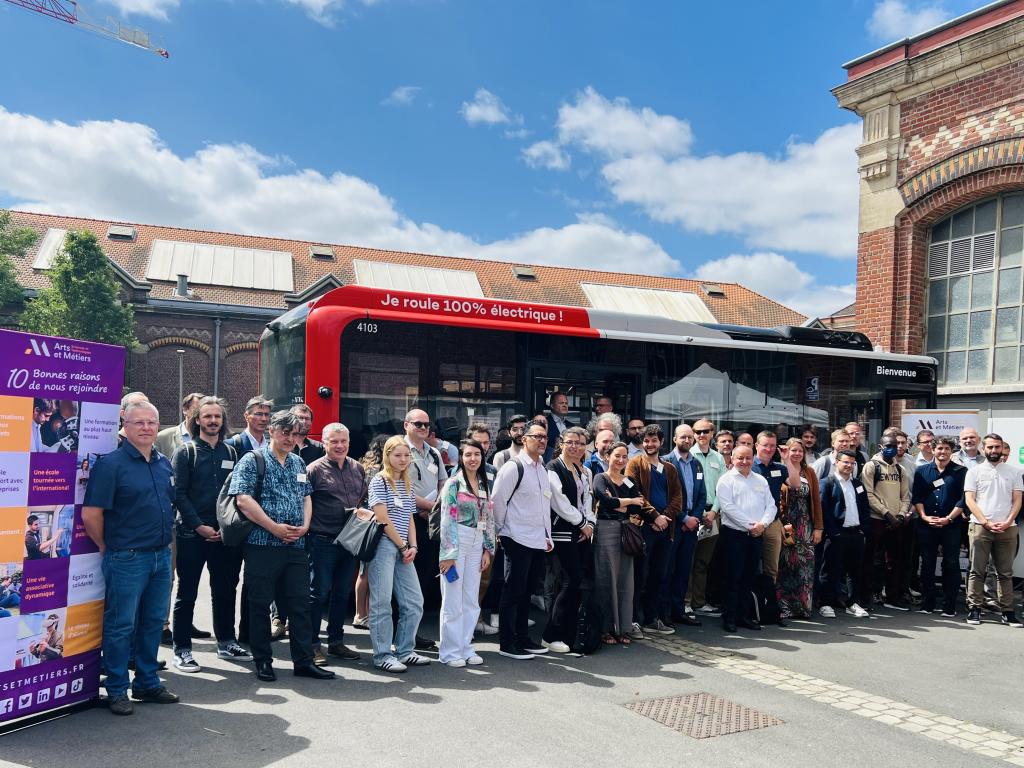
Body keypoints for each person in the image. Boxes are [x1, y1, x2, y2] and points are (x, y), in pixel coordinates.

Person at [82, 400, 178, 716]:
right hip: (127, 558)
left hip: (161, 557)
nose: (146, 428)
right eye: (139, 422)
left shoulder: (163, 463)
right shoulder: (111, 465)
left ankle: (147, 683)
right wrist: (105, 546)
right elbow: (91, 513)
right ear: (125, 425)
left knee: (152, 622)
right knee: (121, 626)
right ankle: (117, 689)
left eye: (152, 422)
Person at [230, 410, 334, 682]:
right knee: (260, 604)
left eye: (294, 434)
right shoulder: (253, 460)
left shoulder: (298, 462)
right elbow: (243, 500)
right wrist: (274, 527)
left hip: (296, 545)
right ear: (272, 431)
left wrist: (306, 526)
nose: (289, 438)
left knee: (300, 604)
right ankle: (263, 660)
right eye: (285, 432)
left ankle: (304, 661)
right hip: (263, 544)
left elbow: (306, 497)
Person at [171, 396, 251, 672]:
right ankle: (182, 649)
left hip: (224, 535)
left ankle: (226, 642)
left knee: (225, 590)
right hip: (192, 534)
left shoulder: (232, 453)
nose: (213, 421)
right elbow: (178, 494)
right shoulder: (186, 452)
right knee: (187, 593)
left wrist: (228, 526)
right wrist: (198, 525)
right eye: (207, 416)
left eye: (217, 416)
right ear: (197, 420)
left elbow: (237, 493)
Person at [491, 418, 554, 659]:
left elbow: (544, 505)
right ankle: (507, 643)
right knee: (513, 591)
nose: (542, 441)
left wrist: (547, 535)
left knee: (527, 592)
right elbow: (498, 502)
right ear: (524, 439)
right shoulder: (513, 467)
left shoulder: (542, 469)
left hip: (538, 539)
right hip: (516, 538)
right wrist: (502, 532)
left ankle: (523, 638)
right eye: (537, 436)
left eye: (544, 437)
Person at [366, 435, 429, 672]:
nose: (403, 459)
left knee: (414, 602)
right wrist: (403, 546)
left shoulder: (406, 482)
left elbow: (410, 517)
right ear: (387, 456)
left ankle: (405, 650)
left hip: (404, 548)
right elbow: (382, 519)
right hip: (384, 546)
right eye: (397, 455)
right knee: (381, 603)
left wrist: (413, 546)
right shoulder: (379, 481)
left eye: (406, 455)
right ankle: (382, 655)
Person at [306, 423, 366, 666]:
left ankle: (336, 642)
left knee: (342, 593)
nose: (339, 446)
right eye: (334, 442)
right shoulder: (313, 470)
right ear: (324, 443)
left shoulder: (358, 468)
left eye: (343, 441)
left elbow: (363, 500)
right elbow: (304, 503)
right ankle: (311, 645)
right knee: (318, 593)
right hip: (322, 540)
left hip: (350, 541)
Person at [438, 439, 495, 666]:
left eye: (477, 454)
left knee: (471, 599)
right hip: (457, 540)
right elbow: (446, 519)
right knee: (453, 599)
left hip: (477, 541)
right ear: (461, 457)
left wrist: (488, 549)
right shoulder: (453, 483)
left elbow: (489, 517)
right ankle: (450, 651)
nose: (473, 459)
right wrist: (448, 554)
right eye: (468, 454)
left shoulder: (483, 483)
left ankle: (466, 647)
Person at [543, 426, 595, 653]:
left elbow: (588, 502)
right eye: (571, 442)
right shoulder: (553, 468)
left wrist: (590, 524)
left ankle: (568, 634)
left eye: (581, 443)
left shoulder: (585, 471)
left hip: (582, 534)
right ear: (561, 443)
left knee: (577, 583)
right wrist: (582, 523)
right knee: (568, 582)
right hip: (562, 533)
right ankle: (550, 635)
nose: (576, 447)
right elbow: (559, 502)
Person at [627, 424, 682, 636]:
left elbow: (677, 497)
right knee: (639, 575)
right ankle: (633, 620)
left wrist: (665, 517)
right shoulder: (634, 464)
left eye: (654, 440)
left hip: (665, 529)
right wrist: (654, 516)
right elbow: (635, 493)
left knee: (659, 575)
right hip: (644, 528)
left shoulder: (670, 468)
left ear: (661, 442)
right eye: (646, 441)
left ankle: (652, 619)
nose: (650, 444)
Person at [593, 442, 650, 645]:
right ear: (607, 456)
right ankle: (606, 628)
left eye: (624, 456)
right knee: (606, 579)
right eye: (617, 455)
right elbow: (605, 501)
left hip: (626, 531)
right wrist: (630, 501)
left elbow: (639, 507)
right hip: (605, 530)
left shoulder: (629, 480)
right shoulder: (600, 478)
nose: (621, 460)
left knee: (626, 580)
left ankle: (624, 627)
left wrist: (622, 503)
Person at [964, 434, 1023, 627]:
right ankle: (974, 608)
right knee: (977, 570)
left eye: (997, 447)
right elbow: (970, 500)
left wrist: (1008, 521)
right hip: (980, 527)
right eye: (990, 447)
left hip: (1007, 528)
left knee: (1005, 573)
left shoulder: (1014, 472)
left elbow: (1017, 500)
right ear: (983, 448)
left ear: (1002, 448)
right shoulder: (974, 472)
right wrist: (985, 522)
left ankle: (1008, 611)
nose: (994, 450)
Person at [716, 445, 777, 633]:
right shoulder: (726, 480)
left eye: (748, 458)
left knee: (748, 577)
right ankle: (729, 617)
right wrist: (751, 525)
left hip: (756, 535)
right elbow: (727, 508)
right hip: (734, 535)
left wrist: (762, 525)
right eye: (740, 458)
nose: (744, 461)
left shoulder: (760, 480)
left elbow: (771, 506)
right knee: (732, 577)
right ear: (732, 459)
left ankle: (744, 616)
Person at [911, 436, 966, 617]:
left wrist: (948, 518)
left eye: (947, 448)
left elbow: (963, 499)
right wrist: (924, 516)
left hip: (951, 525)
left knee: (951, 563)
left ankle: (949, 605)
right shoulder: (921, 471)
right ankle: (928, 603)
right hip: (927, 525)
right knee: (927, 563)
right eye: (940, 448)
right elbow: (917, 496)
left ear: (952, 451)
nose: (943, 452)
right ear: (933, 450)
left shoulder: (961, 471)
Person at [404, 408, 446, 646]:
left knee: (423, 577)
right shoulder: (400, 450)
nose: (423, 428)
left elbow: (443, 482)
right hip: (408, 520)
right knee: (405, 579)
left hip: (430, 521)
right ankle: (401, 633)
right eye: (418, 424)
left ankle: (412, 632)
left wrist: (434, 507)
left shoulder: (434, 453)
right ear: (406, 425)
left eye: (426, 425)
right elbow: (399, 486)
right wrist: (430, 506)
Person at [861, 433, 912, 611]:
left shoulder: (900, 469)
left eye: (895, 446)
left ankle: (892, 596)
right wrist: (886, 513)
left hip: (896, 522)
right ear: (881, 447)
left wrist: (901, 515)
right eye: (889, 446)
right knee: (873, 559)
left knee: (894, 560)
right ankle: (871, 594)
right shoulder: (871, 466)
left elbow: (906, 496)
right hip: (877, 519)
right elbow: (868, 494)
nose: (893, 449)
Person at [818, 451, 871, 618]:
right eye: (846, 462)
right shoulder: (826, 483)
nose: (849, 466)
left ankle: (852, 603)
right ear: (837, 462)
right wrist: (833, 532)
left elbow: (865, 507)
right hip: (836, 534)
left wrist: (863, 530)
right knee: (829, 570)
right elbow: (823, 510)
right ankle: (826, 603)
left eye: (852, 463)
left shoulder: (858, 484)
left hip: (856, 534)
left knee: (855, 571)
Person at [662, 423, 705, 627]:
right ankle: (664, 613)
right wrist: (683, 518)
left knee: (683, 570)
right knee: (667, 570)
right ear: (674, 439)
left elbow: (702, 494)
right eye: (683, 437)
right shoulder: (666, 462)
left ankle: (679, 611)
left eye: (689, 437)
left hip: (691, 527)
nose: (687, 440)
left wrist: (694, 517)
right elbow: (667, 496)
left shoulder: (697, 464)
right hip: (674, 525)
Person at [775, 438, 823, 620]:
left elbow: (816, 501)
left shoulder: (809, 472)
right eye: (793, 450)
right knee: (786, 566)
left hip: (806, 525)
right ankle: (785, 607)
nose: (796, 454)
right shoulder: (780, 469)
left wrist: (818, 528)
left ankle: (803, 608)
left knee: (805, 567)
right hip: (786, 524)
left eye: (800, 451)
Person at [688, 419, 727, 619]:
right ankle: (685, 602)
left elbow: (723, 488)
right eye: (698, 432)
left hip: (712, 514)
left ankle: (699, 602)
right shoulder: (688, 455)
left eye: (705, 431)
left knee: (703, 561)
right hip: (693, 515)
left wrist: (713, 512)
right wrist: (698, 513)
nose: (701, 435)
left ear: (712, 433)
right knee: (687, 560)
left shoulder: (718, 458)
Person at [752, 431, 790, 624]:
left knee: (771, 568)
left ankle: (769, 607)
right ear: (756, 446)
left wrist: (786, 459)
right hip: (751, 523)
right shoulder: (748, 465)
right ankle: (751, 607)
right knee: (750, 566)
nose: (769, 449)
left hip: (773, 523)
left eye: (772, 446)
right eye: (765, 445)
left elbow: (794, 484)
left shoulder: (780, 468)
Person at [353, 435, 388, 630]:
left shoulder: (364, 466)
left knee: (363, 570)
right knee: (367, 571)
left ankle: (361, 613)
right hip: (375, 522)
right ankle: (362, 614)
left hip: (365, 522)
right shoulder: (381, 471)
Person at [155, 392, 202, 458]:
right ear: (185, 410)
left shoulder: (211, 438)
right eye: (197, 410)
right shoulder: (162, 438)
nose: (201, 415)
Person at [546, 391, 574, 462]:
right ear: (552, 405)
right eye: (561, 403)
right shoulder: (545, 423)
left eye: (566, 403)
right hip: (550, 462)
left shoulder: (572, 426)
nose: (564, 405)